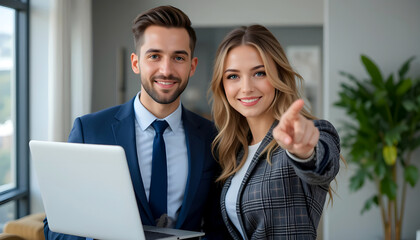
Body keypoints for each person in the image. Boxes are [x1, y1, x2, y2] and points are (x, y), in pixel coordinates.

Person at [44, 5, 227, 240]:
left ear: (192, 66)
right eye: (154, 56)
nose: (166, 69)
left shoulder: (212, 137)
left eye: (178, 57)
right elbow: (56, 227)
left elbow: (219, 228)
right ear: (135, 63)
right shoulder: (89, 131)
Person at [210, 25, 341, 240]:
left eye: (259, 73)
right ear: (222, 85)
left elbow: (322, 164)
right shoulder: (234, 151)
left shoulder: (310, 133)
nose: (246, 87)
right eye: (233, 76)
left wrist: (303, 152)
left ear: (278, 75)